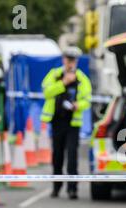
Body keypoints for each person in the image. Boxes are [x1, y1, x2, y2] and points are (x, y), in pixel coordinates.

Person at [41, 47, 92, 200]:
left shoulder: (82, 79)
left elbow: (87, 100)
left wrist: (79, 105)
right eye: (68, 59)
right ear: (64, 60)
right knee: (57, 156)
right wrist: (63, 83)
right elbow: (46, 92)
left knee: (72, 157)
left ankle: (72, 188)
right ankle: (56, 187)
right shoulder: (54, 74)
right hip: (57, 121)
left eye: (73, 60)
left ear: (76, 62)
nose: (70, 63)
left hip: (73, 123)